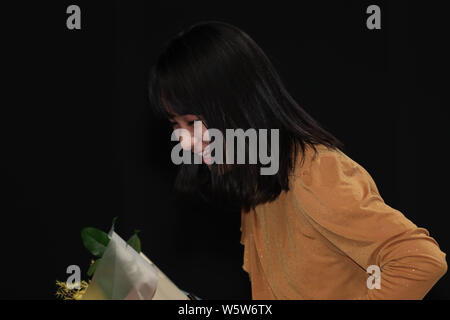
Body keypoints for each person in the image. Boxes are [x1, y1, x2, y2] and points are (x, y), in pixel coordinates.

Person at [148, 21, 447, 299]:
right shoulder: (256, 183)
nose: (183, 140)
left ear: (236, 105)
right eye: (175, 124)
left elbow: (420, 259)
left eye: (191, 121)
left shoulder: (312, 175)